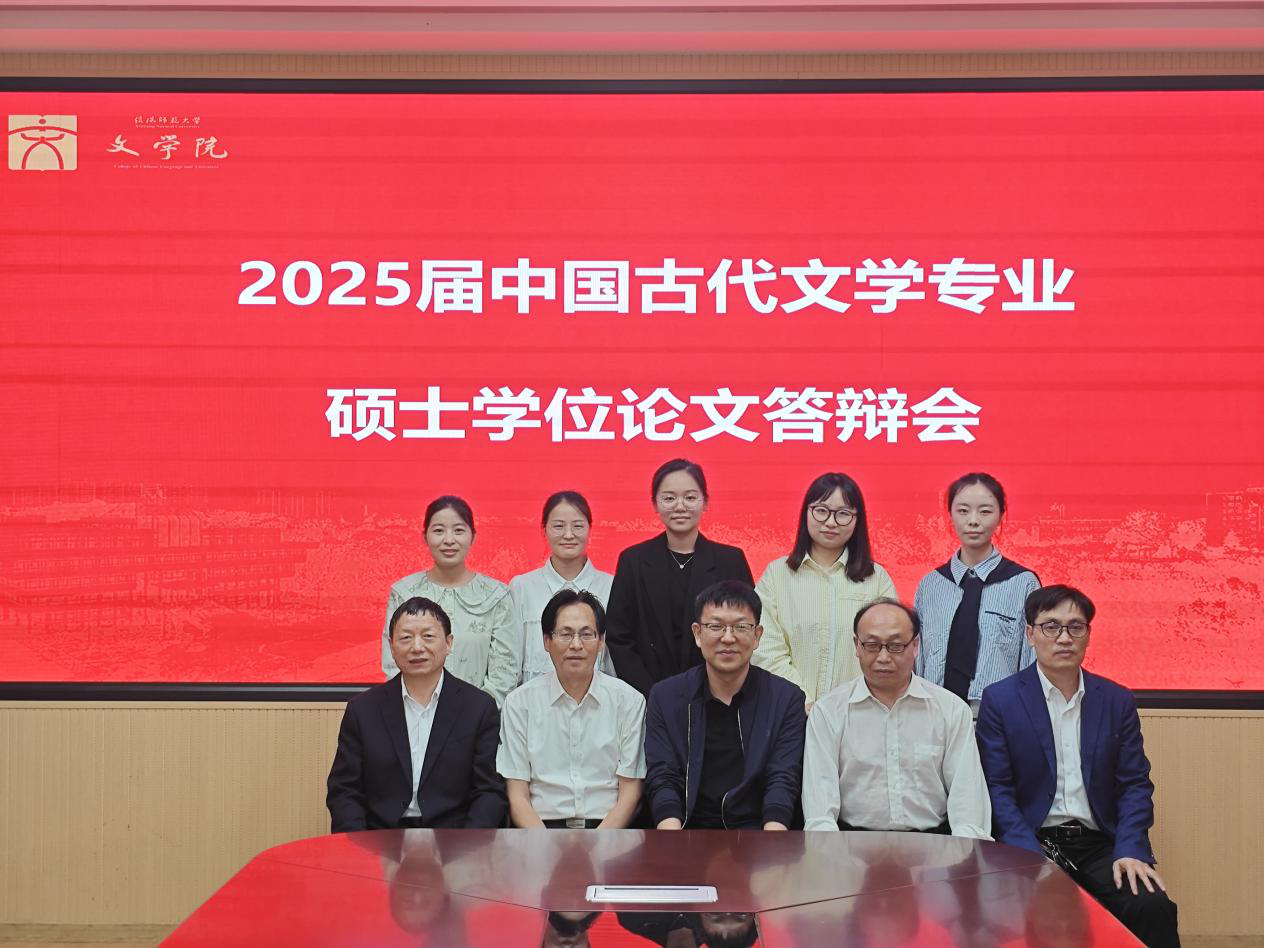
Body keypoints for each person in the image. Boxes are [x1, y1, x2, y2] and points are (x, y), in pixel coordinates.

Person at [976, 585, 1180, 948]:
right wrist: (1028, 855)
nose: (1064, 637)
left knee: (1150, 906)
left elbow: (1134, 784)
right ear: (1030, 634)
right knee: (1014, 914)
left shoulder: (1115, 700)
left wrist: (1130, 848)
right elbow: (997, 788)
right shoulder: (1001, 699)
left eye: (1075, 627)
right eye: (1051, 626)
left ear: (1088, 634)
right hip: (1032, 841)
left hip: (1100, 844)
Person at [802, 599, 991, 838]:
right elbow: (819, 814)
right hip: (852, 845)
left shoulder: (951, 710)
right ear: (857, 646)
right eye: (872, 645)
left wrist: (963, 856)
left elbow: (969, 807)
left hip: (934, 845)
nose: (883, 657)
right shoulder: (828, 712)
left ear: (916, 645)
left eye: (895, 646)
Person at [328, 596, 507, 831]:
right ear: (391, 646)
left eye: (428, 636)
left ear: (449, 643)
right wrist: (360, 846)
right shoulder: (362, 710)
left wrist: (467, 846)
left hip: (453, 839)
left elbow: (489, 791)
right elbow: (344, 791)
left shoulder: (478, 708)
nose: (417, 647)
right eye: (405, 638)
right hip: (381, 838)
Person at [644, 580, 806, 831]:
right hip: (687, 832)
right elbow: (663, 777)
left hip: (760, 834)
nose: (728, 638)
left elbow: (782, 779)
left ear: (757, 635)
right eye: (716, 626)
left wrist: (772, 846)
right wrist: (672, 842)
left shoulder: (786, 699)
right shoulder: (666, 697)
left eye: (740, 627)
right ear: (697, 634)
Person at [497, 589, 646, 829]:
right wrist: (545, 845)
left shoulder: (629, 701)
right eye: (565, 634)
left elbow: (630, 793)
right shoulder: (519, 704)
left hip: (610, 831)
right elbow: (517, 795)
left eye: (586, 634)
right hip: (539, 830)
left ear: (601, 641)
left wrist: (599, 844)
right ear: (547, 641)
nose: (576, 645)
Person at [606, 459, 754, 697]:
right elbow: (619, 637)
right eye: (669, 498)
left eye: (690, 497)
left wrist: (719, 688)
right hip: (648, 697)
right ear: (655, 503)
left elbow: (746, 629)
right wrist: (653, 694)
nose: (680, 506)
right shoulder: (633, 561)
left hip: (718, 695)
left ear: (705, 502)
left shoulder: (730, 560)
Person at [752, 472, 897, 706]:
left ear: (857, 519)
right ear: (806, 512)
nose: (830, 522)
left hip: (859, 712)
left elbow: (888, 649)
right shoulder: (777, 575)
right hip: (788, 712)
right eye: (821, 510)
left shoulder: (877, 579)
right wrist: (802, 702)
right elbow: (764, 648)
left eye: (843, 514)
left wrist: (851, 706)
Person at [914, 472, 1040, 709]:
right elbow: (918, 659)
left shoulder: (1023, 583)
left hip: (997, 714)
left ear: (1001, 515)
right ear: (950, 514)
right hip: (934, 711)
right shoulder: (930, 585)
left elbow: (1030, 660)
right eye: (963, 511)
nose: (973, 521)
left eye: (985, 511)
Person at [381, 495, 519, 705]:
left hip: (479, 718)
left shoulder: (496, 595)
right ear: (425, 536)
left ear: (472, 536)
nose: (449, 540)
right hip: (415, 713)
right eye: (438, 531)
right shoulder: (403, 593)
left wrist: (474, 713)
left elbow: (505, 671)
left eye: (458, 530)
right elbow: (393, 665)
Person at [508, 491, 615, 685]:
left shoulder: (611, 586)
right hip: (535, 699)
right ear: (544, 530)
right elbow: (511, 658)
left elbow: (614, 660)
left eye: (578, 526)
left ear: (590, 528)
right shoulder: (522, 587)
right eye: (558, 526)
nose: (568, 535)